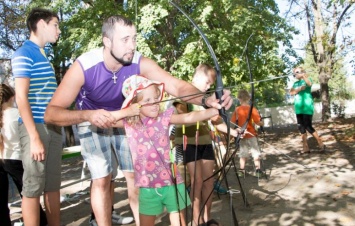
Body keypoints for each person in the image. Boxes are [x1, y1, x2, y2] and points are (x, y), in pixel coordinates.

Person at [44, 15, 233, 226]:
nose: (132, 45)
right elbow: (51, 113)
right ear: (107, 41)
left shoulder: (138, 61)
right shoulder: (84, 66)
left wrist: (207, 99)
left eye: (134, 38)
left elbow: (175, 86)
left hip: (130, 117)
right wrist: (87, 115)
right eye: (125, 39)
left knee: (134, 177)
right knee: (102, 179)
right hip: (90, 118)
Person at [111, 75, 223, 225]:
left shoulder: (163, 118)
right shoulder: (129, 124)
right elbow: (107, 120)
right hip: (147, 186)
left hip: (172, 182)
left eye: (156, 98)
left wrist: (214, 111)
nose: (155, 103)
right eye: (148, 100)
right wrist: (127, 111)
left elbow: (189, 117)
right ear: (134, 104)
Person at [11, 8, 62, 226]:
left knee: (52, 186)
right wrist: (34, 137)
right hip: (36, 128)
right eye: (56, 25)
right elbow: (21, 98)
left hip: (53, 126)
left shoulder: (43, 55)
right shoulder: (23, 53)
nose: (59, 31)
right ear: (41, 24)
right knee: (32, 188)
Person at [174, 64, 239, 226]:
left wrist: (236, 132)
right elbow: (183, 114)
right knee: (197, 181)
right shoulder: (184, 92)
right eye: (207, 83)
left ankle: (206, 218)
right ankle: (195, 221)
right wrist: (206, 111)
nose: (208, 87)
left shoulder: (207, 100)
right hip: (189, 142)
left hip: (205, 143)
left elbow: (217, 122)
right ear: (197, 77)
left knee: (209, 181)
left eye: (211, 84)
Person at [0, 84, 48, 226]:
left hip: (2, 157)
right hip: (16, 159)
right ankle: (41, 222)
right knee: (29, 195)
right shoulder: (17, 113)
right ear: (13, 97)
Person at [289, 66, 325, 154]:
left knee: (308, 126)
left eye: (297, 72)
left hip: (307, 107)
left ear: (302, 72)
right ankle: (305, 147)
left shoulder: (308, 79)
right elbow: (291, 93)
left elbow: (309, 84)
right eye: (294, 73)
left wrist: (303, 76)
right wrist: (299, 89)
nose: (295, 74)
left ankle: (320, 143)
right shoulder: (295, 83)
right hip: (298, 108)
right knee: (301, 127)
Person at [231, 89, 265, 178]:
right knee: (255, 152)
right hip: (251, 134)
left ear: (239, 98)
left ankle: (242, 171)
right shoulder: (252, 109)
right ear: (248, 98)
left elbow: (233, 122)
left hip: (241, 135)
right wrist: (262, 123)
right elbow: (258, 122)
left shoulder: (237, 109)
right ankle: (258, 170)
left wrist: (238, 129)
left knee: (243, 152)